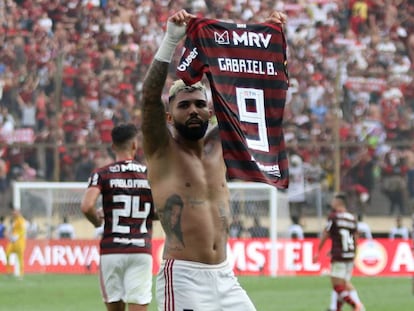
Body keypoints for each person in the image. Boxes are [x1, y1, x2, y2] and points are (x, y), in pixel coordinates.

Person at [141, 8, 286, 311]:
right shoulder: (162, 150)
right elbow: (148, 96)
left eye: (199, 104)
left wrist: (266, 38)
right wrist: (170, 41)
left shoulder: (221, 143)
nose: (193, 110)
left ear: (210, 110)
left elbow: (254, 86)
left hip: (225, 274)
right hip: (184, 278)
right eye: (184, 106)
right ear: (170, 114)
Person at [81, 123, 157, 311]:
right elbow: (163, 211)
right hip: (141, 249)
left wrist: (97, 220)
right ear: (134, 145)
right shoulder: (150, 174)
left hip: (112, 250)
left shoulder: (102, 174)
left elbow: (87, 206)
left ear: (113, 146)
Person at [313, 192, 364, 311]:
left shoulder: (334, 216)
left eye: (334, 200)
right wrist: (354, 254)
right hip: (349, 254)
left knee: (337, 285)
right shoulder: (352, 218)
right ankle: (336, 308)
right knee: (344, 283)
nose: (332, 202)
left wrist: (318, 251)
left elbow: (326, 233)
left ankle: (356, 305)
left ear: (338, 203)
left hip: (339, 255)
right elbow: (356, 238)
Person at [5, 206, 27, 279]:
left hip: (20, 242)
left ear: (18, 212)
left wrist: (18, 236)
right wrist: (9, 234)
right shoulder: (14, 220)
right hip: (13, 241)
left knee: (20, 258)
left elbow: (23, 230)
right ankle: (8, 272)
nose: (13, 213)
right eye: (13, 212)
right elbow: (12, 229)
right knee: (7, 253)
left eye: (15, 212)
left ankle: (21, 274)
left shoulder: (21, 220)